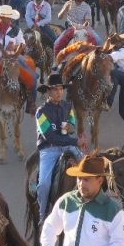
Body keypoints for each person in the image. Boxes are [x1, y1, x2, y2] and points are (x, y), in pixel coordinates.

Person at [40, 155, 124, 246]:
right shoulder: (66, 201)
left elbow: (122, 244)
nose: (81, 184)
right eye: (79, 178)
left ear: (99, 180)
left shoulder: (113, 210)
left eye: (86, 179)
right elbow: (50, 226)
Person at [35, 73, 83, 223]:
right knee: (43, 184)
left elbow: (72, 126)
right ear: (48, 91)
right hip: (49, 150)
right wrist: (75, 141)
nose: (59, 92)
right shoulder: (41, 112)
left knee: (88, 169)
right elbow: (50, 137)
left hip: (68, 145)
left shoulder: (68, 106)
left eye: (61, 89)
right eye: (55, 89)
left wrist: (70, 127)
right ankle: (42, 214)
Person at [0, 5, 37, 117]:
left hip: (14, 58)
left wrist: (14, 47)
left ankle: (31, 103)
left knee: (33, 78)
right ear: (0, 17)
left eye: (10, 17)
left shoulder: (16, 29)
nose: (10, 19)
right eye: (7, 17)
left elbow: (23, 45)